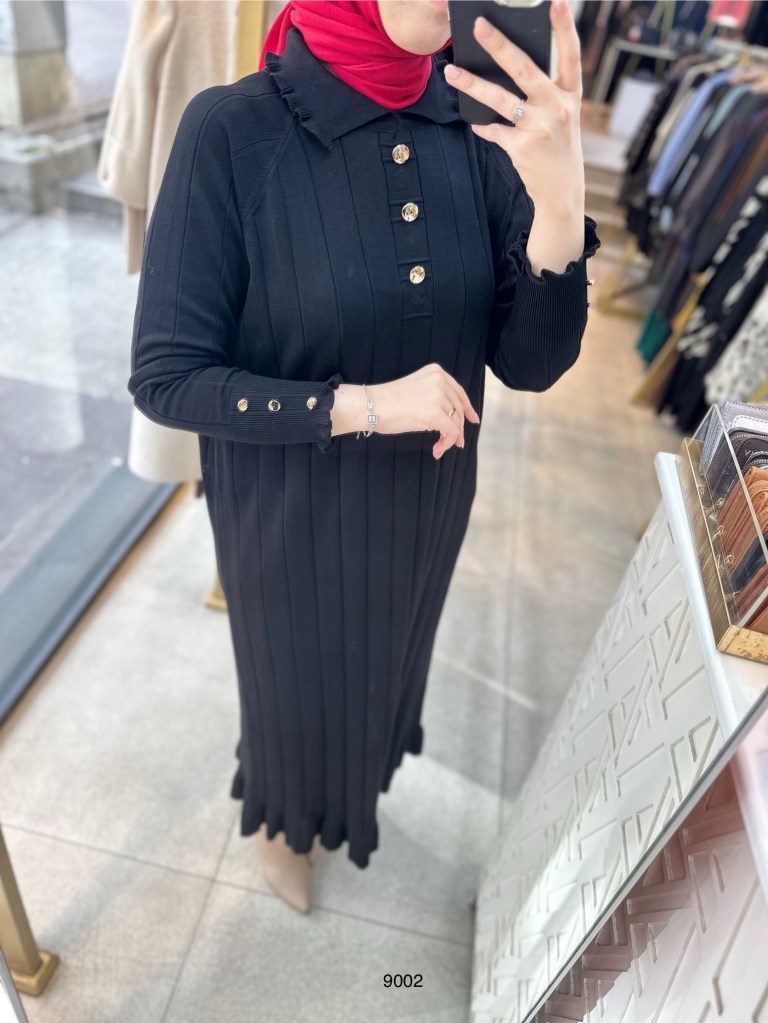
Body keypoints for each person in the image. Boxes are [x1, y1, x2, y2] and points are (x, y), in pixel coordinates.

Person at [127, 0, 600, 914]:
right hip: (288, 513)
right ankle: (284, 819)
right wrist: (368, 405)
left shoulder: (476, 128)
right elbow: (167, 377)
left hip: (425, 504)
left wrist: (559, 203)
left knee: (387, 663)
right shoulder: (233, 131)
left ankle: (357, 781)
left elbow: (530, 363)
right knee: (292, 687)